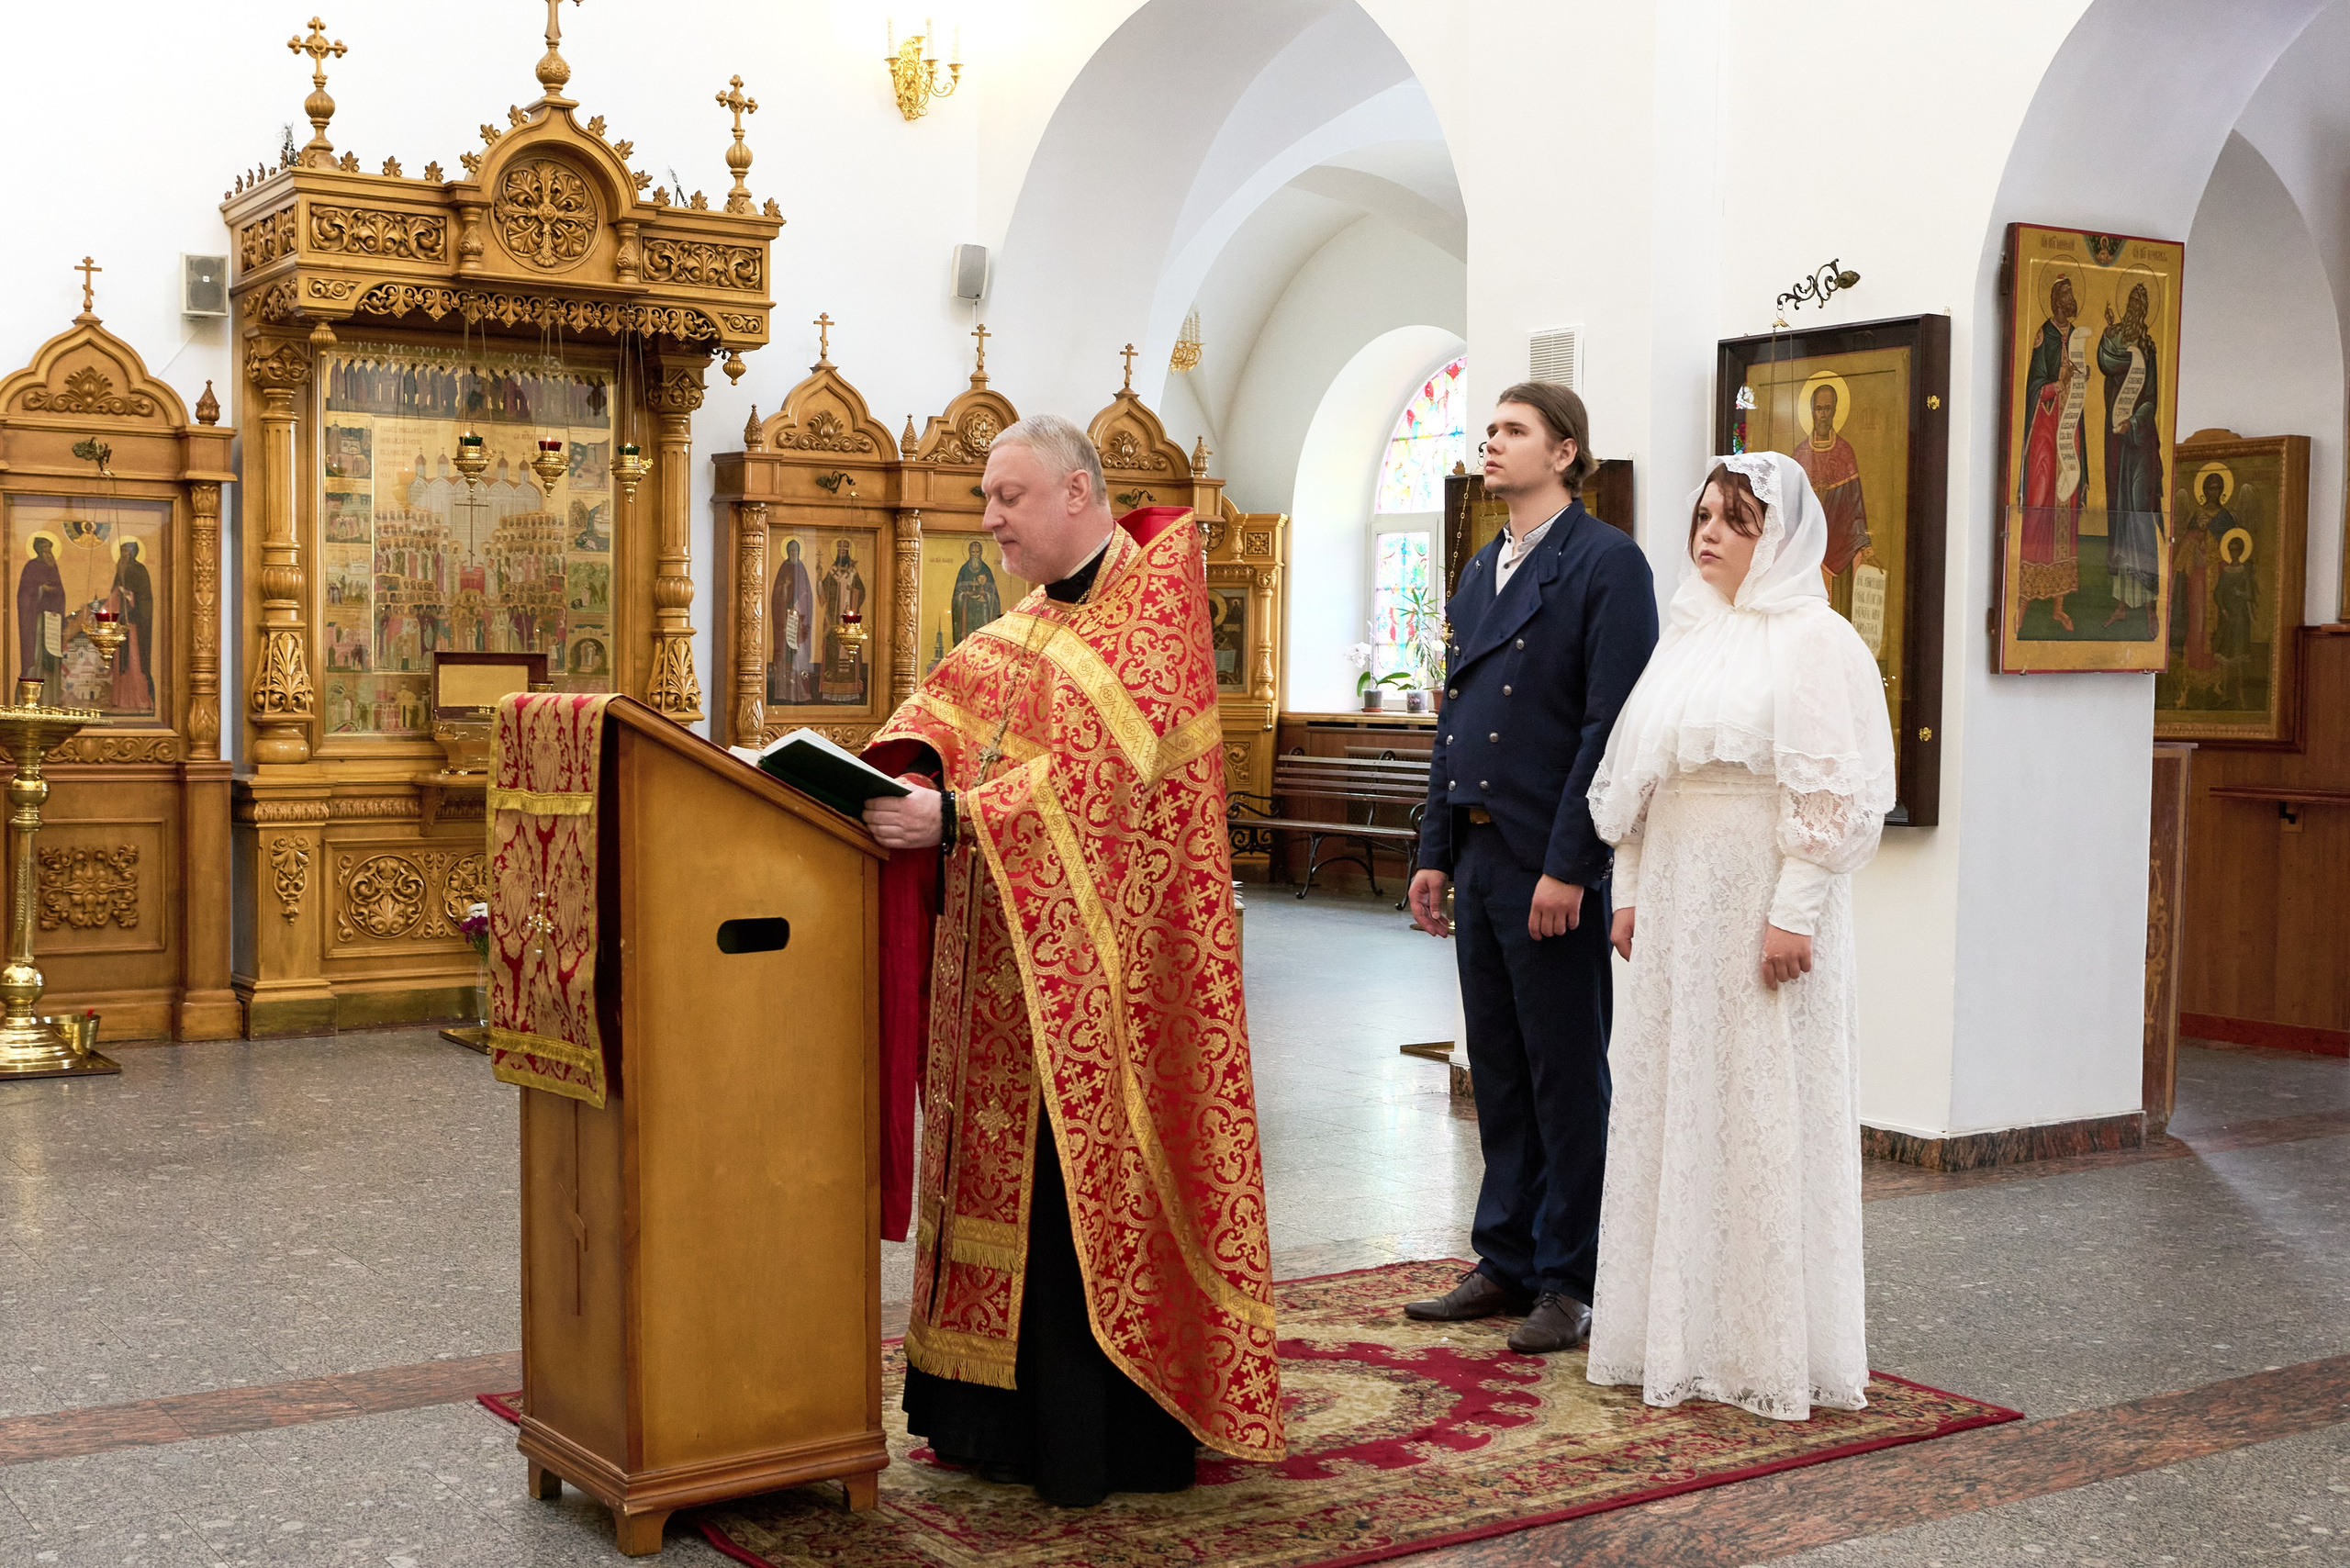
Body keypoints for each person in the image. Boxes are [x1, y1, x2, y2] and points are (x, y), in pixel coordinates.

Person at [859, 413, 1283, 1506]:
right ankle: (990, 1420)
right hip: (1003, 962)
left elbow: (1100, 790)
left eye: (1007, 497)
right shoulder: (1031, 621)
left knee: (1073, 1191)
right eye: (986, 499)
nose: (988, 518)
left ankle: (1095, 1436)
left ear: (1079, 495)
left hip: (1112, 985)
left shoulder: (1152, 619)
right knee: (1005, 1177)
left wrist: (952, 819)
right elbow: (944, 711)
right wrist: (882, 769)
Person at [1584, 450, 1896, 1422]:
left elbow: (1834, 791)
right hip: (1677, 902)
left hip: (1761, 904)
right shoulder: (1684, 636)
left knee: (1758, 1107)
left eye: (1737, 520)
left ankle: (1760, 1345)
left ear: (1784, 536)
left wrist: (1792, 911)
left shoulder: (1815, 641)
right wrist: (1628, 892)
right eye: (1705, 515)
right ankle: (1668, 1333)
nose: (1709, 533)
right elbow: (1641, 783)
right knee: (1675, 1100)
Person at [1403, 383, 1658, 1354]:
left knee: (1564, 1076)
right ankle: (1504, 1257)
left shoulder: (1605, 565)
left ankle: (1570, 1276)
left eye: (1511, 431)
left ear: (1564, 451)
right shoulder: (1480, 569)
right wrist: (1433, 851)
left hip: (1549, 860)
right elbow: (1453, 721)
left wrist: (1573, 865)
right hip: (1478, 850)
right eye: (1488, 430)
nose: (1490, 444)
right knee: (1499, 1070)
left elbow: (1610, 729)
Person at [2020, 275, 2087, 631]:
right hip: (2045, 431)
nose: (2071, 300)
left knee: (2067, 508)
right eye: (2065, 295)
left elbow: (2079, 382)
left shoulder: (2076, 337)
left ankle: (2058, 605)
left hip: (2069, 430)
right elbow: (2033, 386)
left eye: (2072, 294)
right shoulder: (2043, 336)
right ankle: (2025, 598)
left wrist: (2077, 380)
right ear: (2055, 301)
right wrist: (2052, 386)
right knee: (2040, 501)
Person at [2098, 282, 2166, 628]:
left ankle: (2150, 602)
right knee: (2121, 514)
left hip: (2139, 444)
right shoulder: (2116, 339)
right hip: (2117, 445)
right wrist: (2110, 332)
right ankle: (2123, 603)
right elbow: (2106, 362)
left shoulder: (2148, 348)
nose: (2136, 308)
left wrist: (2135, 422)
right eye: (2133, 302)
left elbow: (2151, 396)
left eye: (2142, 304)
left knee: (2140, 511)